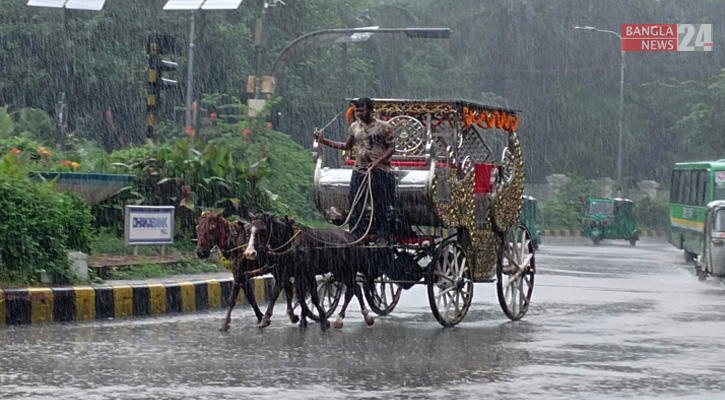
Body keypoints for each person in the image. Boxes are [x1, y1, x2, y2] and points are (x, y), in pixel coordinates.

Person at [314, 97, 396, 246]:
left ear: (371, 110)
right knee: (355, 204)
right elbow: (347, 146)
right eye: (357, 110)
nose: (359, 113)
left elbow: (391, 148)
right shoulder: (354, 127)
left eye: (362, 110)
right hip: (360, 170)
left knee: (380, 205)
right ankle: (355, 234)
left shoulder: (384, 127)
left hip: (380, 171)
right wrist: (323, 141)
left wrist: (378, 162)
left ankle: (382, 236)